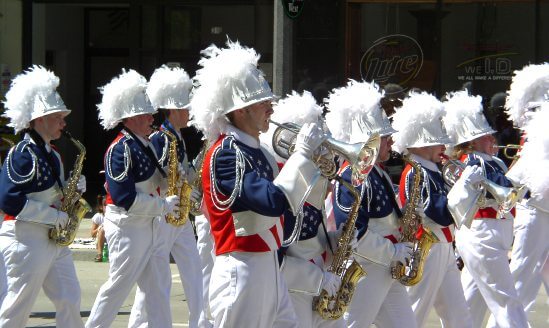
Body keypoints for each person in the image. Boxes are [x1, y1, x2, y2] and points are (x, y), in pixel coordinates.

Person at [189, 40, 326, 328]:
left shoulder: (258, 150)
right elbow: (272, 202)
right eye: (260, 102)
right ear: (239, 111)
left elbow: (287, 219)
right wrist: (301, 155)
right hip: (243, 269)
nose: (270, 107)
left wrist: (315, 165)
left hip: (269, 267)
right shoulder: (226, 153)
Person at [86, 69, 180, 328]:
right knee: (118, 287)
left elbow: (152, 179)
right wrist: (163, 205)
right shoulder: (119, 149)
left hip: (149, 224)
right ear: (130, 117)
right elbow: (124, 197)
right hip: (129, 228)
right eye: (145, 114)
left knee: (158, 291)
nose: (152, 117)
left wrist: (174, 180)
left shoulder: (145, 143)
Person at [325, 80, 417, 328]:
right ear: (369, 140)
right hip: (366, 266)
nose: (390, 142)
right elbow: (352, 231)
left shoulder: (379, 172)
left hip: (386, 265)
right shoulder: (352, 175)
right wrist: (392, 251)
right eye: (385, 137)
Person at [0, 65, 85, 327]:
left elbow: (52, 194)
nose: (63, 122)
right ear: (39, 120)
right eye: (57, 117)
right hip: (26, 238)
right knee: (16, 309)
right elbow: (9, 199)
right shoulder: (22, 153)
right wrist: (53, 215)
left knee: (70, 299)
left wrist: (73, 188)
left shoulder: (52, 153)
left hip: (53, 239)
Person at [127, 65, 210, 328]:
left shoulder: (176, 137)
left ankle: (199, 321)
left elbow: (181, 172)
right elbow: (160, 177)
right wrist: (183, 183)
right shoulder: (160, 138)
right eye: (186, 108)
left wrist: (192, 175)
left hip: (179, 212)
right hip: (165, 213)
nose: (189, 113)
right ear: (173, 110)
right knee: (156, 275)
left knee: (193, 268)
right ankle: (139, 323)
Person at [260, 90, 348, 328]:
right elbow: (276, 258)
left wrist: (334, 241)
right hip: (295, 286)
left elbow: (312, 230)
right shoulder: (277, 177)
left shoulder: (312, 176)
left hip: (322, 277)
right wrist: (317, 279)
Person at [444, 90, 528, 328]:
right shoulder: (471, 160)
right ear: (471, 141)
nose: (493, 138)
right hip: (482, 234)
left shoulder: (495, 160)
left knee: (471, 303)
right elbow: (500, 186)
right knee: (507, 301)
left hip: (495, 235)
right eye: (485, 135)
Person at [391, 91, 472, 328]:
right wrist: (464, 187)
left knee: (459, 315)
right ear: (423, 140)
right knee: (413, 314)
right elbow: (439, 212)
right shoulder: (418, 171)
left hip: (443, 247)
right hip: (427, 249)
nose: (443, 145)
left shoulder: (431, 169)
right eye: (438, 139)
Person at [489, 63, 549, 327]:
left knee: (534, 273)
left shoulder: (537, 132)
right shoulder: (536, 133)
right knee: (523, 275)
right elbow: (525, 174)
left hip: (540, 208)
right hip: (535, 210)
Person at [90, 194, 106, 262]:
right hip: (102, 239)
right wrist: (100, 227)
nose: (107, 208)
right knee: (102, 230)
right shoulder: (98, 216)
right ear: (101, 207)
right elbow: (92, 234)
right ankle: (100, 254)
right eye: (105, 205)